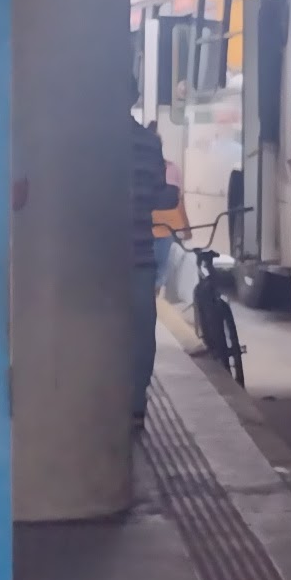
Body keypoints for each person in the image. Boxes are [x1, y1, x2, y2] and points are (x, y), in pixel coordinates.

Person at [129, 96, 172, 432]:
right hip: (139, 257)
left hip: (93, 260)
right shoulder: (148, 143)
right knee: (141, 338)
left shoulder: (86, 145)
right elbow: (160, 194)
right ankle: (134, 407)